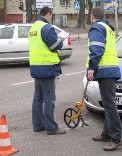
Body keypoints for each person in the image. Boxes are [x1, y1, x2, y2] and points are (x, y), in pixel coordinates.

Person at [86, 7, 122, 151]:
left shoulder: (96, 28)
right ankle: (106, 133)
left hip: (105, 71)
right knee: (108, 104)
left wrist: (91, 68)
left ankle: (116, 137)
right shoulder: (108, 28)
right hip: (111, 70)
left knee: (109, 105)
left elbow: (97, 50)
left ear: (92, 16)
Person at [28, 6, 66, 135]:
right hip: (47, 67)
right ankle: (51, 128)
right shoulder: (46, 27)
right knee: (49, 99)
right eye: (51, 16)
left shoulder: (33, 28)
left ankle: (38, 125)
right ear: (48, 14)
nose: (51, 18)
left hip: (36, 67)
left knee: (38, 98)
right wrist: (61, 40)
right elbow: (54, 45)